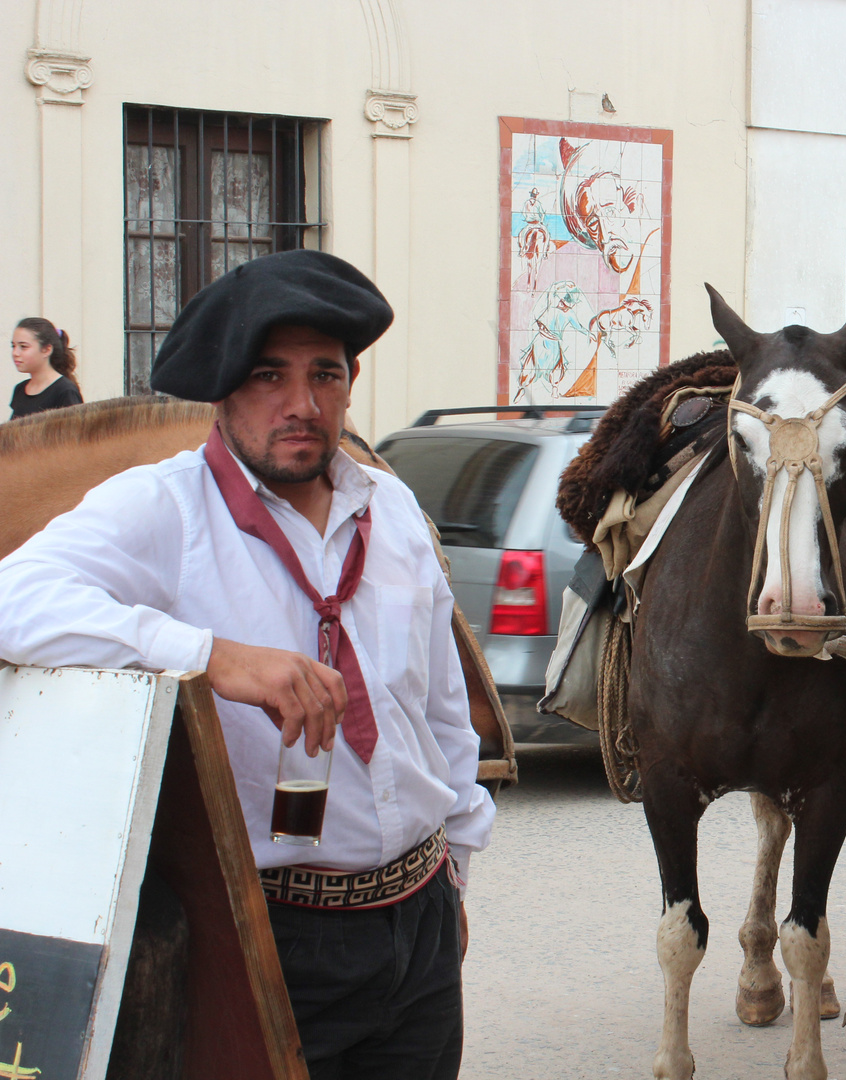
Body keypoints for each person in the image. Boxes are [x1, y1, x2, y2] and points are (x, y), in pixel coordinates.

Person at [0, 250, 494, 1077]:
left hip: (421, 924)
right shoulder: (162, 506)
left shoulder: (394, 505)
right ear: (225, 386)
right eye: (270, 375)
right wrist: (208, 657)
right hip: (274, 934)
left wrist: (458, 870)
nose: (301, 404)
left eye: (324, 376)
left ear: (350, 380)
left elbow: (443, 708)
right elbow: (13, 601)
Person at [10, 316, 83, 419]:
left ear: (47, 350)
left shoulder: (65, 391)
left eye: (23, 347)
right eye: (13, 346)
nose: (15, 353)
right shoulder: (20, 389)